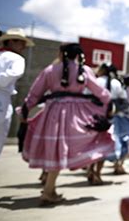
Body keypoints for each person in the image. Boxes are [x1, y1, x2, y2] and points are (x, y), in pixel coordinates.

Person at [20, 43, 113, 204]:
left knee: (54, 149)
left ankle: (49, 189)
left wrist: (25, 109)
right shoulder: (84, 71)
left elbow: (35, 93)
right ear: (78, 55)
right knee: (66, 148)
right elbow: (100, 92)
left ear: (61, 53)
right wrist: (109, 105)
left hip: (52, 112)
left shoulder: (50, 70)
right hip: (75, 116)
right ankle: (49, 190)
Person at [0, 27, 34, 160]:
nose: (24, 46)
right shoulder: (16, 58)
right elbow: (14, 73)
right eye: (21, 42)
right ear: (11, 42)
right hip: (0, 96)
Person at [96, 63, 129, 175]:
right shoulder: (116, 83)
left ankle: (92, 171)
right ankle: (99, 172)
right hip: (113, 118)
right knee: (109, 143)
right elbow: (124, 102)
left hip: (95, 117)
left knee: (95, 145)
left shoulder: (96, 81)